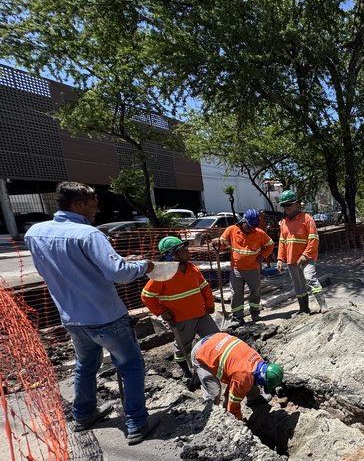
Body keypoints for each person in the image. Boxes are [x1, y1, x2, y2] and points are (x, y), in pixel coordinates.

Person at [24, 181, 157, 446]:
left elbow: (49, 272)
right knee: (131, 367)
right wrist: (144, 265)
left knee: (86, 365)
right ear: (78, 204)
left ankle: (83, 415)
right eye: (93, 206)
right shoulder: (89, 235)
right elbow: (118, 273)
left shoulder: (35, 233)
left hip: (72, 318)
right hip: (105, 316)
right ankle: (136, 423)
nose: (96, 211)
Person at [140, 236, 220, 384]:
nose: (187, 251)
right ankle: (187, 373)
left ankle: (218, 366)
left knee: (216, 339)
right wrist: (161, 312)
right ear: (172, 255)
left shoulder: (192, 268)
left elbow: (204, 287)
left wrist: (210, 303)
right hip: (181, 319)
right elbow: (146, 296)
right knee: (183, 348)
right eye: (183, 249)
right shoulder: (162, 275)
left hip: (201, 314)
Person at [191, 332, 284, 420]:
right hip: (202, 352)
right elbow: (233, 406)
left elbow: (245, 378)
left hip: (217, 340)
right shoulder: (242, 377)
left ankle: (253, 399)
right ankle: (211, 415)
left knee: (250, 380)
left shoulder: (258, 360)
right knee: (214, 392)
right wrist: (238, 422)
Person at [211, 209, 275, 326]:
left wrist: (263, 256)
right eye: (249, 226)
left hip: (253, 269)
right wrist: (217, 242)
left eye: (253, 227)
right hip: (237, 270)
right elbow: (223, 242)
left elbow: (270, 245)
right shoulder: (232, 230)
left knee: (255, 292)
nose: (251, 229)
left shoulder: (259, 233)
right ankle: (237, 318)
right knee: (236, 294)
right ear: (243, 221)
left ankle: (255, 313)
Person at [276, 190, 327, 314]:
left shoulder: (307, 219)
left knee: (310, 278)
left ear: (297, 204)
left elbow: (314, 239)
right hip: (291, 259)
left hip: (307, 258)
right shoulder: (283, 223)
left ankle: (323, 305)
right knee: (298, 285)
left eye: (289, 204)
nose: (286, 208)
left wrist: (305, 255)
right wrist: (279, 259)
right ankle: (304, 309)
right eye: (284, 205)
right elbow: (282, 242)